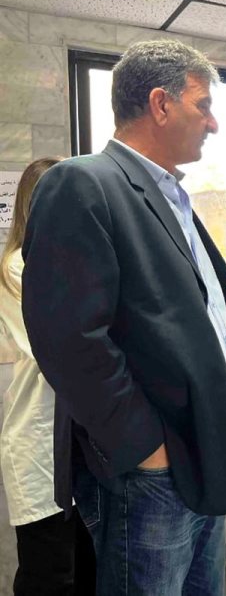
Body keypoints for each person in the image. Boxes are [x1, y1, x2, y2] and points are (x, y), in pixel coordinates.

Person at [20, 39, 226, 595]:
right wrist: (145, 449)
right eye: (202, 106)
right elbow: (70, 340)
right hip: (153, 467)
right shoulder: (83, 182)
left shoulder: (172, 196)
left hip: (200, 450)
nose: (213, 124)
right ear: (161, 104)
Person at [0, 157, 96, 595]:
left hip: (81, 443)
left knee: (87, 568)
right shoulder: (16, 267)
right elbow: (56, 346)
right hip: (39, 443)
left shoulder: (76, 261)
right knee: (50, 574)